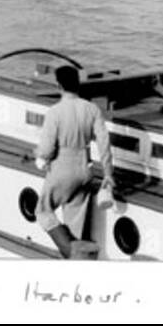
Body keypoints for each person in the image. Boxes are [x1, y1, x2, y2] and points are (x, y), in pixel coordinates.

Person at [34, 63, 114, 258]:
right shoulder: (92, 109)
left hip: (62, 170)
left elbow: (46, 150)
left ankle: (72, 253)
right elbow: (104, 143)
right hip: (85, 171)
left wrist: (38, 153)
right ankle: (78, 256)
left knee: (43, 211)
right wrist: (108, 174)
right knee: (75, 223)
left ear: (59, 86)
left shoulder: (55, 112)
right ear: (78, 84)